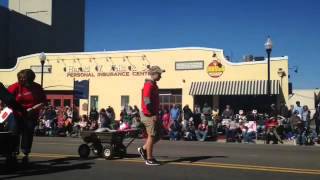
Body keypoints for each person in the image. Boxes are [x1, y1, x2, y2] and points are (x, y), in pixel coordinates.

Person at [7, 69, 46, 163]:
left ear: (30, 80)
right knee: (13, 132)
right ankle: (12, 152)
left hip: (30, 113)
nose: (21, 81)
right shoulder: (15, 86)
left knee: (28, 132)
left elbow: (43, 102)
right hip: (16, 113)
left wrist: (33, 109)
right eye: (20, 79)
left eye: (24, 79)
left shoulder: (37, 87)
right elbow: (6, 98)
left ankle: (25, 153)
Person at [138, 66, 165, 166]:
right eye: (159, 74)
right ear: (154, 74)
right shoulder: (148, 85)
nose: (161, 76)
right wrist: (152, 114)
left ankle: (143, 149)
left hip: (153, 114)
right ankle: (149, 159)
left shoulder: (153, 85)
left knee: (159, 135)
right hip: (148, 114)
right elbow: (146, 100)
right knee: (152, 135)